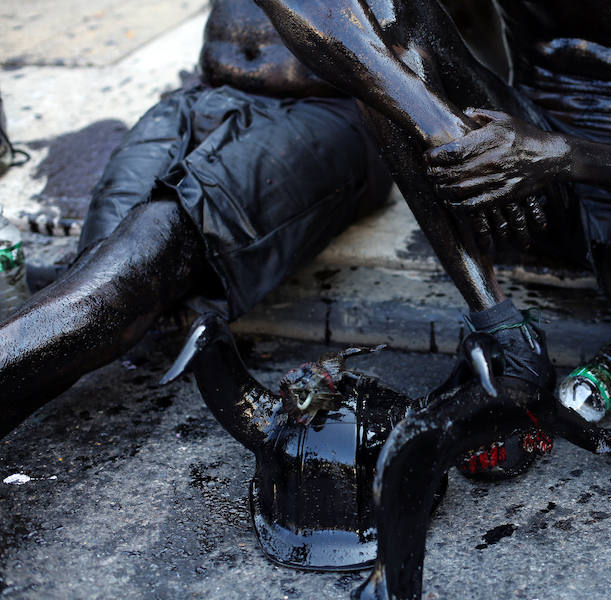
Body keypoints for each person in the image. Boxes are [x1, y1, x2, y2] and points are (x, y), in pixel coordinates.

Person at [253, 0, 611, 598]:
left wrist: (557, 156)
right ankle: (501, 330)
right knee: (391, 38)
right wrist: (445, 130)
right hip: (509, 168)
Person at [0, 0, 392, 439]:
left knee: (138, 264)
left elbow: (454, 48)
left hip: (326, 109)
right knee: (103, 266)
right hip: (203, 92)